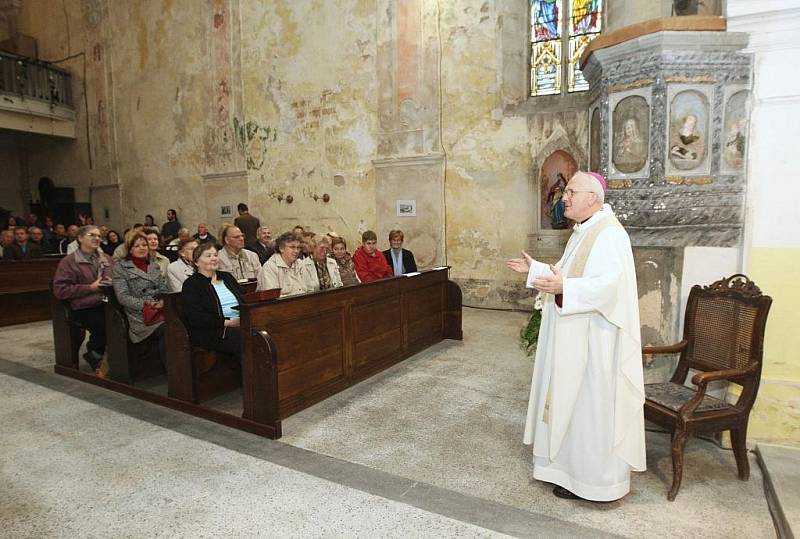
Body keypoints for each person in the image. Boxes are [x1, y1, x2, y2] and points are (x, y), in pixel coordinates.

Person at [507, 171, 645, 502]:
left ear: (592, 198)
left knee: (589, 409)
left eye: (571, 192)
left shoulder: (609, 234)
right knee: (571, 404)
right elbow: (569, 275)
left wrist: (564, 286)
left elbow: (608, 286)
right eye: (565, 191)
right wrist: (538, 270)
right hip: (574, 336)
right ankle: (566, 470)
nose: (563, 197)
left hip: (595, 343)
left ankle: (592, 481)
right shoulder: (584, 231)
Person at [52, 225, 113, 373]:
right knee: (106, 325)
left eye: (99, 236)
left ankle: (114, 357)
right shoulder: (69, 262)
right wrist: (90, 288)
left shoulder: (107, 259)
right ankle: (94, 353)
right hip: (83, 306)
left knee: (124, 321)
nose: (97, 238)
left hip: (107, 302)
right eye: (92, 235)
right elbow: (61, 290)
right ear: (80, 238)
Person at [111, 230, 169, 363]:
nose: (142, 248)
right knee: (168, 330)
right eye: (137, 246)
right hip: (141, 317)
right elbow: (123, 297)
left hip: (161, 310)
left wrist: (162, 301)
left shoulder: (153, 265)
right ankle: (173, 372)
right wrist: (148, 304)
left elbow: (163, 289)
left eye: (144, 245)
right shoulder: (120, 268)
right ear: (129, 249)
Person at [180, 242, 244, 359]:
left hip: (241, 322)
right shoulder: (192, 284)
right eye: (208, 256)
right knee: (245, 336)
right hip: (213, 331)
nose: (214, 258)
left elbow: (244, 299)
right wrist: (227, 323)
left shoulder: (227, 277)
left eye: (215, 255)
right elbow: (196, 317)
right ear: (196, 262)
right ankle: (251, 375)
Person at [257, 231, 312, 297]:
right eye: (292, 247)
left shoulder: (300, 264)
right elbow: (272, 297)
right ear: (281, 248)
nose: (296, 251)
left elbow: (310, 289)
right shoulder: (269, 267)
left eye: (298, 248)